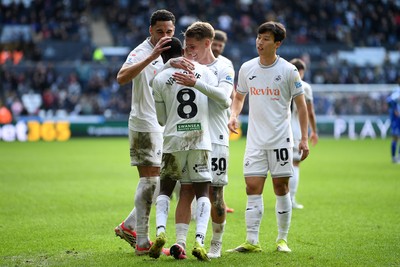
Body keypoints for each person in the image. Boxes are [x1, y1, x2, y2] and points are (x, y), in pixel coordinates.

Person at [113, 9, 193, 256]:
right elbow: (121, 77)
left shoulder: (172, 53)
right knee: (150, 180)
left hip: (164, 126)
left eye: (169, 31)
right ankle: (142, 242)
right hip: (144, 123)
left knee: (165, 180)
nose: (165, 35)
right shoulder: (141, 51)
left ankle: (129, 226)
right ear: (151, 31)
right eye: (160, 31)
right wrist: (153, 56)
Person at [227, 21, 309, 253]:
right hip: (255, 139)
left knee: (280, 187)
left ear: (278, 43)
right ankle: (252, 241)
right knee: (252, 186)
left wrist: (304, 138)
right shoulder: (247, 68)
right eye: (258, 37)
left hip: (281, 139)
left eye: (265, 39)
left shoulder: (288, 71)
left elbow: (301, 107)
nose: (259, 42)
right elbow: (239, 97)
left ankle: (282, 239)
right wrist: (234, 115)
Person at [149, 36, 229, 261]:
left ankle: (161, 232)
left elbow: (162, 119)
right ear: (183, 49)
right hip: (201, 139)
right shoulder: (204, 71)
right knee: (202, 192)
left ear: (162, 56)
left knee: (165, 190)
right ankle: (199, 241)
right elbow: (222, 101)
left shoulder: (159, 78)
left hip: (173, 139)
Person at [167, 22, 234, 259]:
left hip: (215, 138)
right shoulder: (187, 65)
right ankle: (181, 242)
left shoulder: (223, 66)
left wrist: (196, 83)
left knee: (215, 193)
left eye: (193, 46)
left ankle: (216, 243)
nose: (189, 51)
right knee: (186, 190)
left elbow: (225, 99)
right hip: (191, 138)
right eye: (187, 46)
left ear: (207, 43)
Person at [211, 29, 235, 214]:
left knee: (220, 162)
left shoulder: (226, 63)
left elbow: (232, 91)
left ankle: (220, 202)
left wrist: (234, 114)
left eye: (221, 45)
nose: (217, 48)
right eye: (215, 44)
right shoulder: (201, 61)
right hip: (206, 119)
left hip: (222, 119)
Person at [289, 58, 319, 209]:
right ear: (301, 71)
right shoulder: (304, 86)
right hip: (295, 128)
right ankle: (291, 199)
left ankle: (283, 198)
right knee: (295, 163)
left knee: (281, 164)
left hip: (278, 128)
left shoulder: (282, 83)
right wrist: (313, 131)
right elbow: (310, 112)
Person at [387, 80, 400, 163]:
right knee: (395, 137)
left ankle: (398, 157)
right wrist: (395, 109)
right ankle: (394, 157)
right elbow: (389, 100)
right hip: (397, 119)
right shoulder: (397, 90)